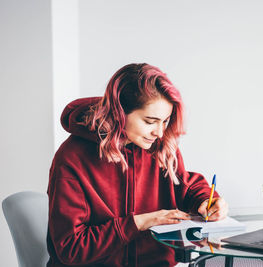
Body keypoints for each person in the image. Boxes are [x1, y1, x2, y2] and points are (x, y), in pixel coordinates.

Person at [47, 63, 228, 267]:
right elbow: (71, 248)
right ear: (119, 112)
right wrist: (138, 223)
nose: (159, 132)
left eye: (165, 121)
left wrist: (206, 200)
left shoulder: (159, 146)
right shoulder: (72, 157)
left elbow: (184, 185)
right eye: (150, 121)